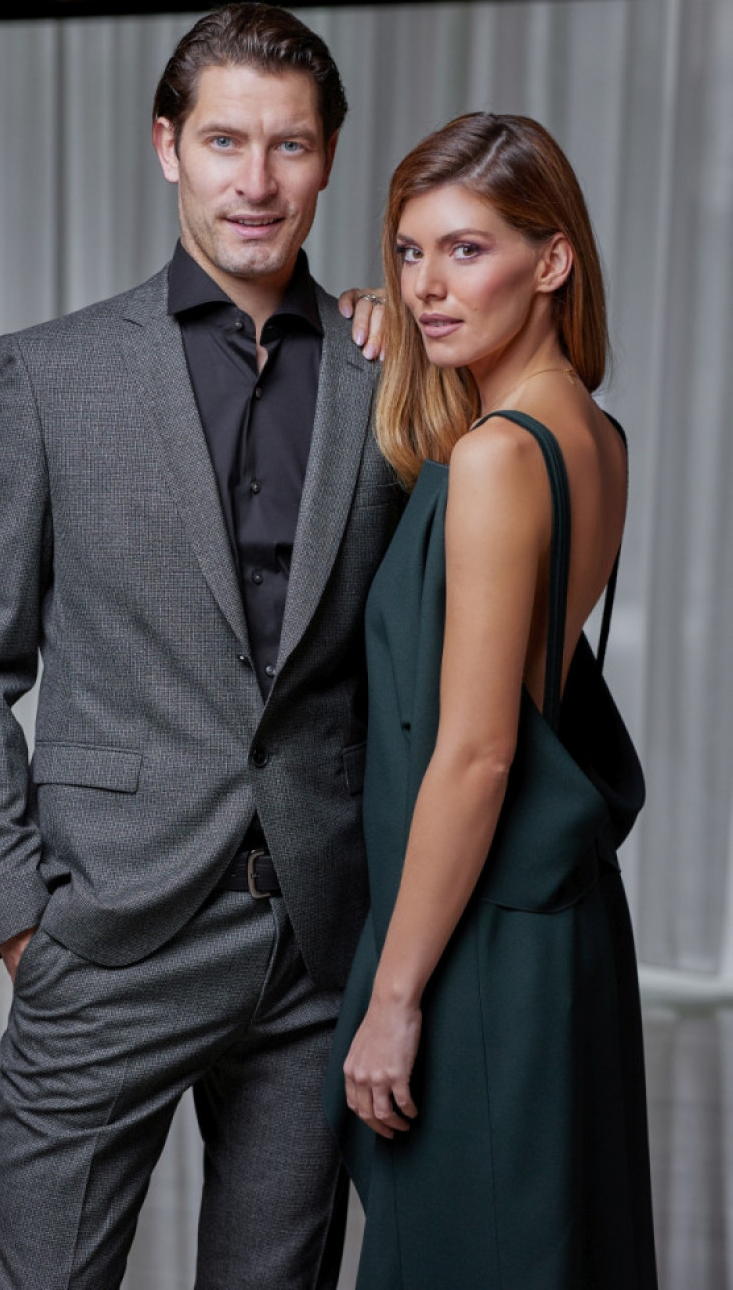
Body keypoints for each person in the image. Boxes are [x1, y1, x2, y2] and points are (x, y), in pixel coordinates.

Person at [0, 2, 401, 1290]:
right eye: (225, 141)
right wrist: (20, 921)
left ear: (329, 156)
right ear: (167, 147)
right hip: (106, 936)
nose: (257, 181)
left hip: (312, 948)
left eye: (290, 145)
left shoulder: (392, 375)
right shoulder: (52, 375)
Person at [324, 113, 659, 1288]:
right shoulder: (593, 434)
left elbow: (476, 753)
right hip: (557, 924)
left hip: (478, 941)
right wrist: (388, 313)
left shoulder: (498, 458)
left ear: (551, 260)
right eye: (410, 252)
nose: (427, 286)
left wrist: (394, 995)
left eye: (466, 250)